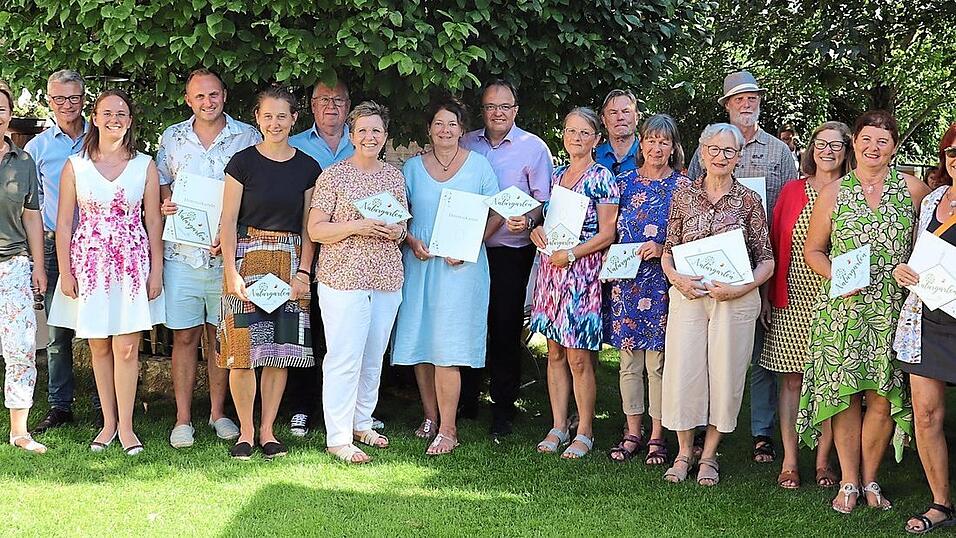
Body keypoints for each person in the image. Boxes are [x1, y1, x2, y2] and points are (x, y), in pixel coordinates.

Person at [799, 110, 930, 513]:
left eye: (883, 141)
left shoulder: (913, 190)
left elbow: (931, 249)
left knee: (881, 395)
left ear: (894, 148)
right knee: (845, 394)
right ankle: (849, 481)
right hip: (844, 310)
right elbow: (813, 252)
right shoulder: (834, 193)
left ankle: (871, 479)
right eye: (866, 139)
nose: (873, 148)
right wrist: (838, 272)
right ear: (854, 142)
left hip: (893, 310)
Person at [688, 70, 799, 464]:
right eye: (738, 99)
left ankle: (761, 432)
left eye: (752, 97)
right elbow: (691, 205)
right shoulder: (711, 145)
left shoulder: (779, 153)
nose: (747, 103)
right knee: (706, 351)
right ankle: (701, 426)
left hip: (762, 264)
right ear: (727, 105)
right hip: (712, 271)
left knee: (762, 351)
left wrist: (769, 283)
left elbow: (789, 209)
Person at [47, 90, 165, 455]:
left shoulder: (145, 165)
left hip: (132, 264)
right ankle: (108, 424)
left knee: (127, 347)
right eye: (107, 112)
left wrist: (156, 270)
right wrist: (65, 272)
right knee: (98, 345)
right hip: (90, 265)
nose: (114, 118)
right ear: (95, 118)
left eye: (122, 113)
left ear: (130, 121)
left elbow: (153, 220)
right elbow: (64, 223)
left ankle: (128, 427)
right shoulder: (75, 166)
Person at [660, 123, 774, 485]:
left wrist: (741, 287)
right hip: (689, 296)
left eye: (729, 152)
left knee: (725, 375)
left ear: (738, 157)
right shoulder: (683, 194)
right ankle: (682, 453)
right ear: (702, 151)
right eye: (714, 149)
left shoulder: (749, 200)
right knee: (683, 373)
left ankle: (709, 455)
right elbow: (668, 251)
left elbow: (766, 259)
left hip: (733, 301)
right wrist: (677, 278)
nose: (721, 157)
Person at [391, 97, 501, 455]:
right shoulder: (411, 167)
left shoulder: (479, 166)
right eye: (438, 124)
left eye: (452, 124)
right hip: (420, 264)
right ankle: (429, 416)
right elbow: (399, 214)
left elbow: (497, 212)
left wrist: (471, 243)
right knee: (421, 343)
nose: (445, 130)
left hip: (461, 268)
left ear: (462, 129)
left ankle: (449, 429)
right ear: (428, 129)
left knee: (447, 348)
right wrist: (410, 239)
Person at [156, 68, 260, 448]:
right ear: (188, 99)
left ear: (224, 96)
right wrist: (166, 204)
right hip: (182, 254)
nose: (207, 102)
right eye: (199, 96)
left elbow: (254, 191)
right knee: (183, 337)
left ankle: (219, 413)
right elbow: (163, 185)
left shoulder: (247, 136)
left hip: (226, 256)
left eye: (213, 94)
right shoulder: (173, 137)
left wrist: (230, 234)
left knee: (221, 337)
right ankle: (183, 419)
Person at [218, 87, 319, 460]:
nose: (275, 123)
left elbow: (310, 225)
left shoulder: (308, 167)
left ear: (294, 118)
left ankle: (268, 430)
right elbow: (228, 220)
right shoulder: (241, 162)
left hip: (290, 262)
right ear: (257, 118)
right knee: (243, 352)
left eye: (282, 116)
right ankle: (245, 431)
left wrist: (304, 272)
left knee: (280, 352)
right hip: (247, 259)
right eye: (268, 116)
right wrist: (231, 271)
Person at [308, 101, 406, 463]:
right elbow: (315, 229)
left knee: (373, 354)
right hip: (343, 278)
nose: (369, 136)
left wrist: (396, 230)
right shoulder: (333, 176)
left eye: (376, 131)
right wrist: (357, 226)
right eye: (363, 130)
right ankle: (338, 436)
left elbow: (400, 226)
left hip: (385, 278)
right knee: (344, 356)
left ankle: (362, 420)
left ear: (385, 137)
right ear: (351, 136)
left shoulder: (393, 176)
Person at [759, 122, 851, 488]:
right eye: (820, 144)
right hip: (792, 295)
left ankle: (824, 462)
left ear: (847, 151)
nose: (826, 151)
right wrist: (768, 295)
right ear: (811, 149)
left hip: (837, 296)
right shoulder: (792, 190)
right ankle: (791, 460)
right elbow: (774, 246)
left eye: (835, 145)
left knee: (829, 382)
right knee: (793, 381)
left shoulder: (853, 192)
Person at [459, 79, 553, 437]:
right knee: (469, 324)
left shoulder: (533, 148)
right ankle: (466, 401)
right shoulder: (466, 142)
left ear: (516, 110)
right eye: (490, 107)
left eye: (505, 107)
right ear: (482, 110)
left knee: (505, 329)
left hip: (510, 252)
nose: (498, 113)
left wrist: (528, 219)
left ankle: (502, 409)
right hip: (469, 251)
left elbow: (543, 203)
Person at [530, 107, 619, 460]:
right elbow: (546, 217)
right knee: (553, 352)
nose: (576, 138)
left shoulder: (602, 177)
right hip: (552, 274)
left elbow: (608, 233)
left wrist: (573, 254)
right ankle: (557, 424)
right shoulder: (557, 175)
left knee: (579, 357)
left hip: (580, 274)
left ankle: (585, 430)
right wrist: (538, 230)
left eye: (584, 133)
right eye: (570, 131)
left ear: (596, 139)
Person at [602, 114, 687, 464]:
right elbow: (607, 231)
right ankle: (632, 430)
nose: (656, 147)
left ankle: (657, 434)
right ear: (642, 142)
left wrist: (664, 246)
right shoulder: (623, 183)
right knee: (628, 363)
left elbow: (691, 236)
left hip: (662, 284)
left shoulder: (684, 186)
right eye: (651, 140)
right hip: (626, 284)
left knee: (658, 364)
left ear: (673, 148)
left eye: (664, 142)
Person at [894, 123, 956, 534]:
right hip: (929, 318)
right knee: (927, 415)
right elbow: (919, 256)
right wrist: (906, 272)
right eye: (952, 155)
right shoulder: (934, 198)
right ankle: (941, 503)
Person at [24, 70, 94, 434]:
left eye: (74, 98)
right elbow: (31, 207)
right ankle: (60, 405)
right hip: (55, 246)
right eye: (59, 99)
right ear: (49, 101)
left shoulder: (101, 136)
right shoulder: (37, 148)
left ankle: (106, 404)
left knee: (102, 327)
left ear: (84, 98)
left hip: (101, 245)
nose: (67, 105)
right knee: (57, 332)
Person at [286, 79, 355, 437]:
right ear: (311, 106)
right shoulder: (293, 146)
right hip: (301, 253)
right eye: (323, 100)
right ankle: (301, 406)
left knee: (340, 337)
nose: (331, 106)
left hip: (349, 261)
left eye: (339, 100)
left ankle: (343, 412)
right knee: (303, 332)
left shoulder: (362, 143)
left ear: (348, 106)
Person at [0, 80, 48, 454]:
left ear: (9, 115)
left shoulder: (25, 161)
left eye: (1, 109)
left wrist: (37, 265)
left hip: (14, 264)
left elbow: (33, 215)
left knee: (19, 348)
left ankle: (19, 431)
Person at [595, 89, 640, 175]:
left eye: (626, 112)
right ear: (603, 120)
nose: (620, 117)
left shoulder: (649, 156)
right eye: (613, 113)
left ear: (637, 117)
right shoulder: (593, 156)